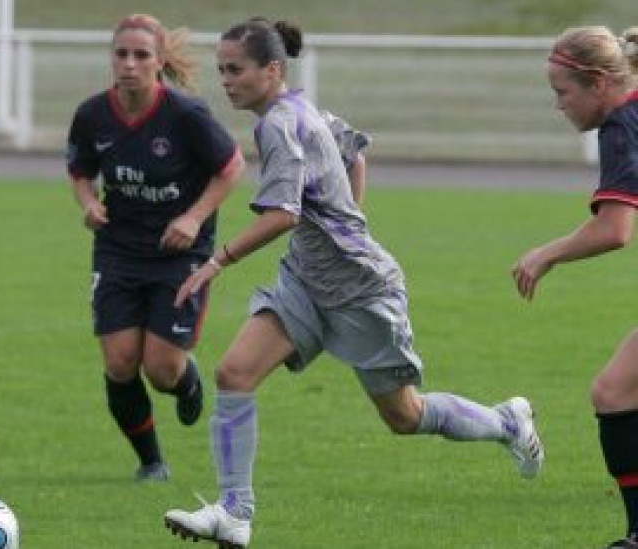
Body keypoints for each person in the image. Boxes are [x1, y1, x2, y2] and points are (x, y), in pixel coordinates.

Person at [163, 17, 544, 548]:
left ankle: (507, 422)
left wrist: (216, 261)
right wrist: (343, 225)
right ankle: (234, 512)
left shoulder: (279, 123)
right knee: (234, 373)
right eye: (222, 70)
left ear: (272, 69)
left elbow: (283, 214)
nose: (226, 81)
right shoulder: (302, 110)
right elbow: (355, 154)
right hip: (306, 281)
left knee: (405, 416)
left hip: (361, 292)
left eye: (236, 70)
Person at [66, 14, 245, 482]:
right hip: (118, 251)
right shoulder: (92, 115)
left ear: (159, 61)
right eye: (121, 54)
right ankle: (151, 463)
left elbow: (231, 168)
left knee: (161, 370)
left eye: (141, 55)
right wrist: (88, 203)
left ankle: (187, 382)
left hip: (179, 255)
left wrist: (193, 217)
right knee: (120, 361)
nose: (129, 64)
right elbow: (80, 170)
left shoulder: (186, 116)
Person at [512, 26, 638, 549]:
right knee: (615, 390)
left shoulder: (621, 125)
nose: (558, 105)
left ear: (598, 83)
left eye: (563, 92)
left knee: (615, 391)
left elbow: (614, 230)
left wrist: (546, 254)